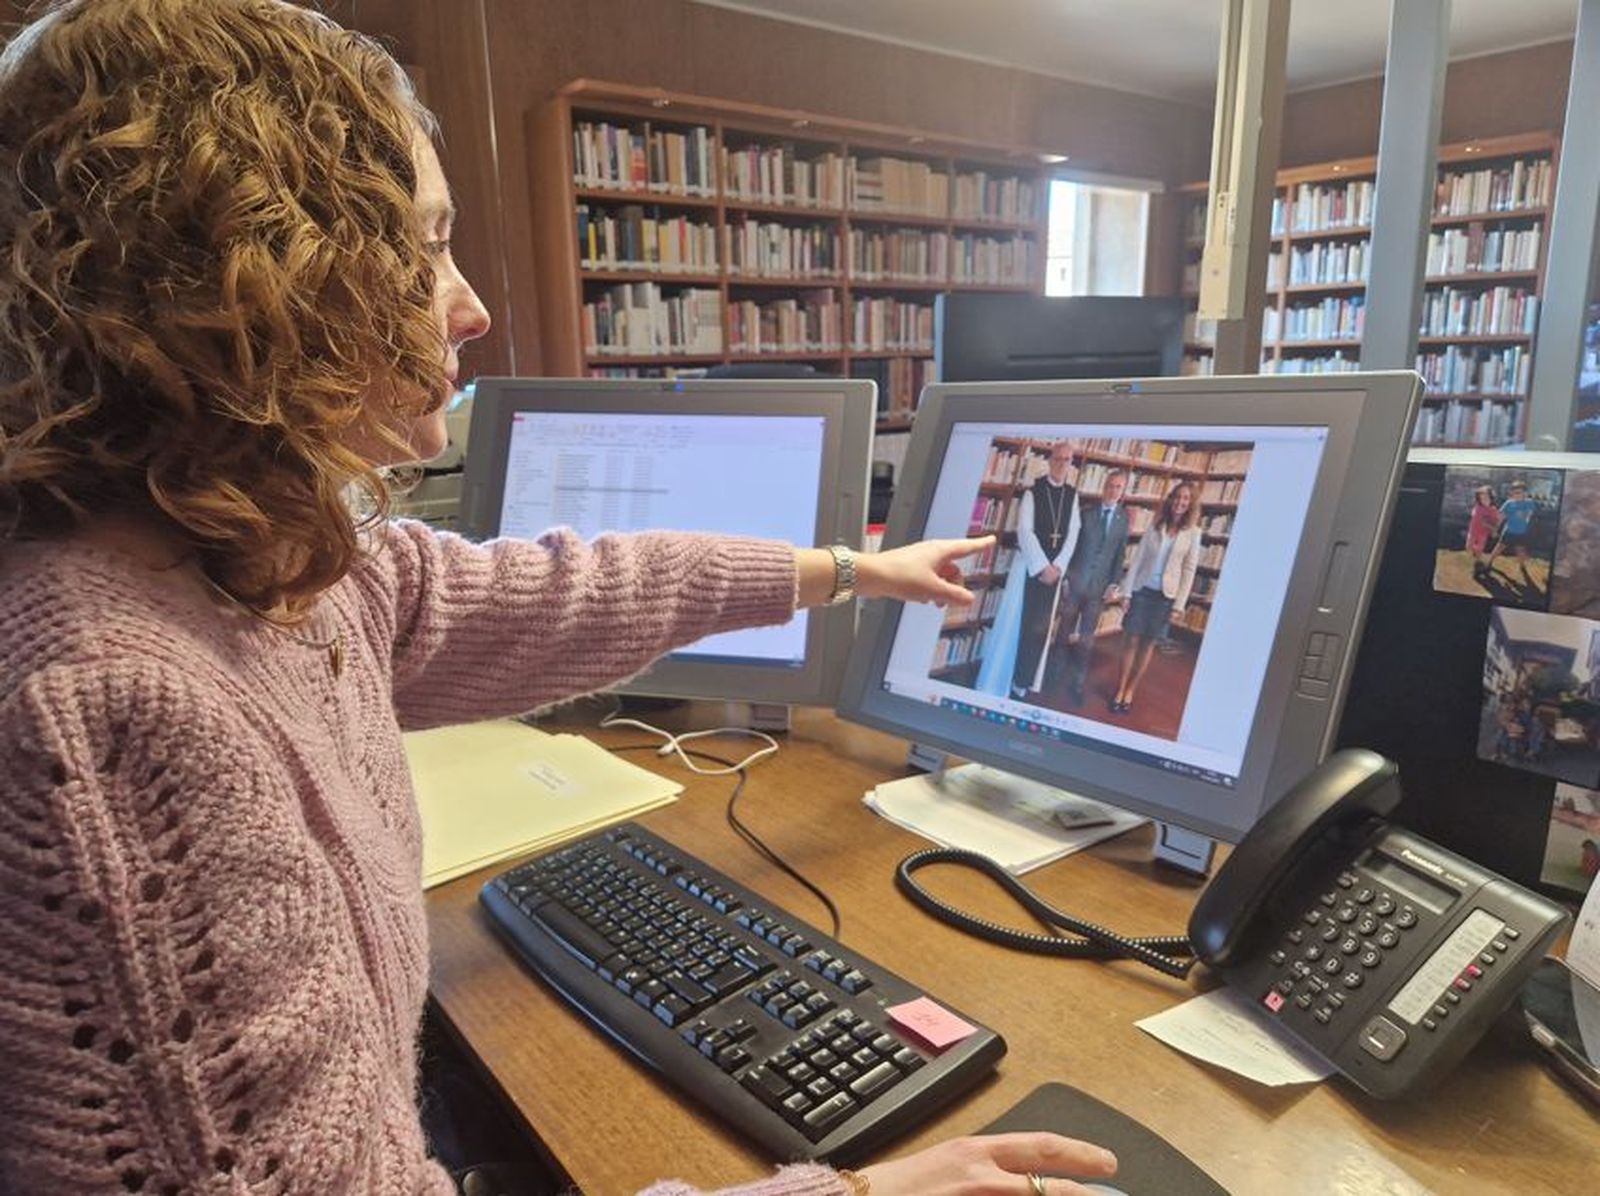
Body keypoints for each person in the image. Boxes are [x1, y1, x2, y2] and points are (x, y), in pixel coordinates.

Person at [0, 4, 1119, 1195]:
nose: (470, 305)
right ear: (251, 272)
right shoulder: (113, 716)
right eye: (425, 246)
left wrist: (843, 570)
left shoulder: (266, 561)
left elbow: (557, 593)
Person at [1109, 480, 1201, 715]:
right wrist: (1127, 592)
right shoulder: (1155, 525)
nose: (1180, 502)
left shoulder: (1193, 533)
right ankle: (1120, 688)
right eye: (1178, 497)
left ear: (1190, 504)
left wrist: (1179, 604)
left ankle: (1131, 689)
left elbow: (1189, 570)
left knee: (1147, 644)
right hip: (1142, 591)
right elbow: (1138, 560)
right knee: (1130, 640)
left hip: (1165, 597)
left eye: (1186, 499)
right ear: (1171, 499)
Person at [1055, 468, 1130, 706]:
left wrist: (1114, 583)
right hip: (1075, 584)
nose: (1113, 490)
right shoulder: (1085, 514)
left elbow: (1120, 556)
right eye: (1110, 485)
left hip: (1099, 591)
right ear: (1103, 486)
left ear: (1123, 491)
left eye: (1118, 486)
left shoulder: (1123, 519)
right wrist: (1066, 577)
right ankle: (1052, 676)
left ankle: (1077, 684)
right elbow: (1071, 547)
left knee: (1087, 640)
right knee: (1063, 632)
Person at [1486, 479, 1539, 587]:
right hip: (1508, 531)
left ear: (1525, 493)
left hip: (1521, 533)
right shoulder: (1509, 503)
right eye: (1514, 493)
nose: (1517, 495)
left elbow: (1529, 515)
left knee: (1520, 550)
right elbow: (1501, 517)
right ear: (1511, 493)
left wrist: (1524, 515)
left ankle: (1522, 566)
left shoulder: (1529, 502)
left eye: (1519, 492)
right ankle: (1489, 562)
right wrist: (1496, 529)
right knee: (1499, 547)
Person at [1466, 483, 1502, 579]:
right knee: (1469, 547)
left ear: (1491, 498)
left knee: (1479, 550)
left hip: (1482, 534)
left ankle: (1478, 567)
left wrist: (1494, 529)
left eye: (1486, 498)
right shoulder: (1478, 506)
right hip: (1472, 531)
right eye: (1481, 499)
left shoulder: (1492, 510)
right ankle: (1480, 562)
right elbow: (1474, 517)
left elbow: (1498, 520)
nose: (1484, 500)